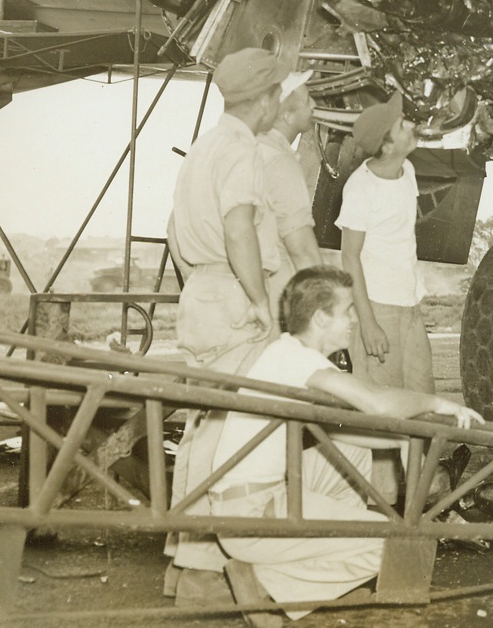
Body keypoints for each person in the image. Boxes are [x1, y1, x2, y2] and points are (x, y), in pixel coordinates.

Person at [210, 266, 482, 625]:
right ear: (321, 319)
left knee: (355, 451)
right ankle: (267, 585)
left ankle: (313, 573)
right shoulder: (299, 359)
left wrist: (400, 439)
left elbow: (335, 431)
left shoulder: (286, 352)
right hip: (252, 514)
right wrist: (437, 403)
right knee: (391, 544)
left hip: (246, 503)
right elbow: (378, 403)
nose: (355, 319)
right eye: (348, 310)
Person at [163, 47, 285, 602]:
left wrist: (203, 280)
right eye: (277, 93)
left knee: (202, 428)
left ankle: (183, 558)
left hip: (201, 292)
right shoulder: (243, 151)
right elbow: (240, 229)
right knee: (234, 434)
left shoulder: (202, 148)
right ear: (265, 100)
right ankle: (206, 572)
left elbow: (173, 231)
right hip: (235, 295)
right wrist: (258, 300)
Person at [335, 92, 432, 394]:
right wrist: (368, 323)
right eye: (402, 125)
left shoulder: (407, 172)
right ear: (387, 146)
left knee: (421, 398)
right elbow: (349, 257)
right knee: (384, 407)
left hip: (409, 303)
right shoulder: (361, 188)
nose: (411, 126)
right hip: (378, 307)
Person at [255, 70, 323, 306]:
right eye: (307, 100)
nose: (314, 105)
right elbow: (302, 251)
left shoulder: (246, 148)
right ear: (287, 115)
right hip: (272, 291)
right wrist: (325, 305)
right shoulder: (281, 163)